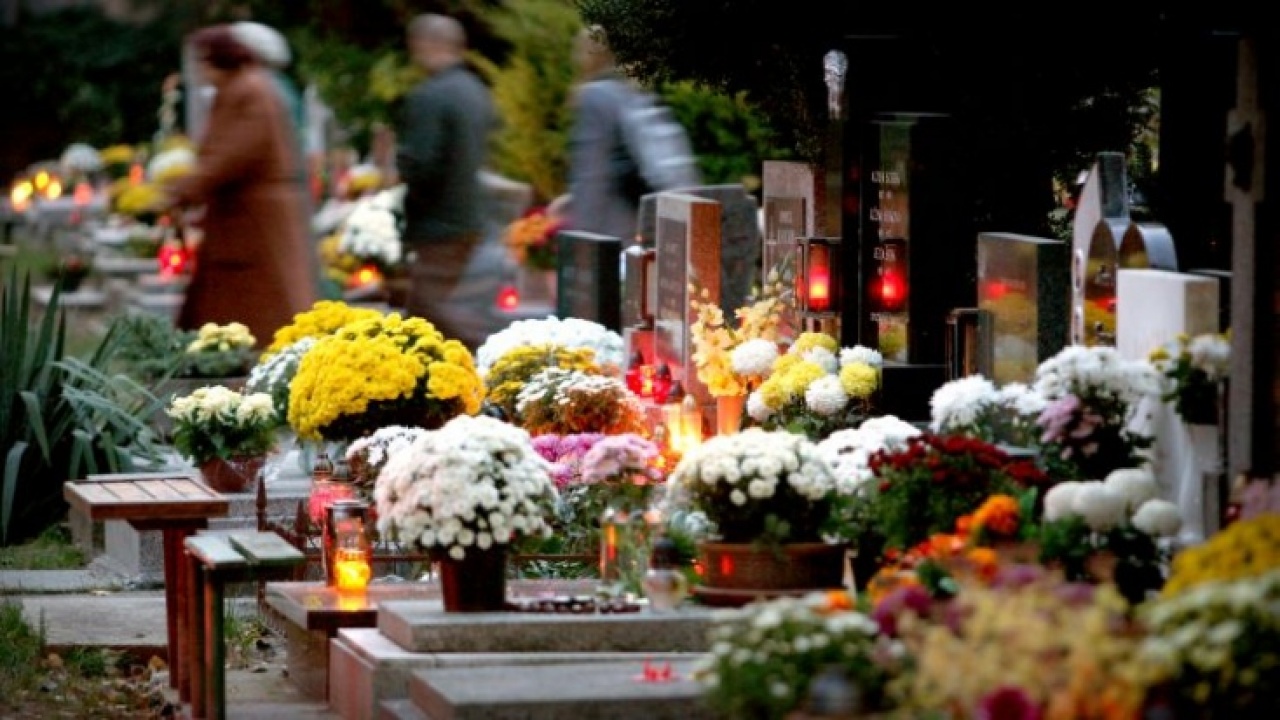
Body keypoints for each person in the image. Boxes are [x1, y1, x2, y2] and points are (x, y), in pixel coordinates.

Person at [164, 25, 317, 348]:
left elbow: (236, 152)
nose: (199, 71)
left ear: (219, 59)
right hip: (243, 217)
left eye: (202, 62)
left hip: (255, 220)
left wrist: (185, 189)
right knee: (236, 303)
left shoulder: (248, 90)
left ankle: (255, 360)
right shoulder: (242, 87)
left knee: (264, 306)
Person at [396, 13, 498, 349]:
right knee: (433, 315)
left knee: (431, 316)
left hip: (437, 220)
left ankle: (494, 357)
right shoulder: (475, 90)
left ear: (427, 44)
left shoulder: (430, 96)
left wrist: (402, 190)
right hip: (470, 216)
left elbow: (421, 164)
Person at [563, 25, 644, 243]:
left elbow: (592, 171)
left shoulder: (594, 96)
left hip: (607, 221)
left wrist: (583, 231)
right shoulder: (631, 91)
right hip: (633, 213)